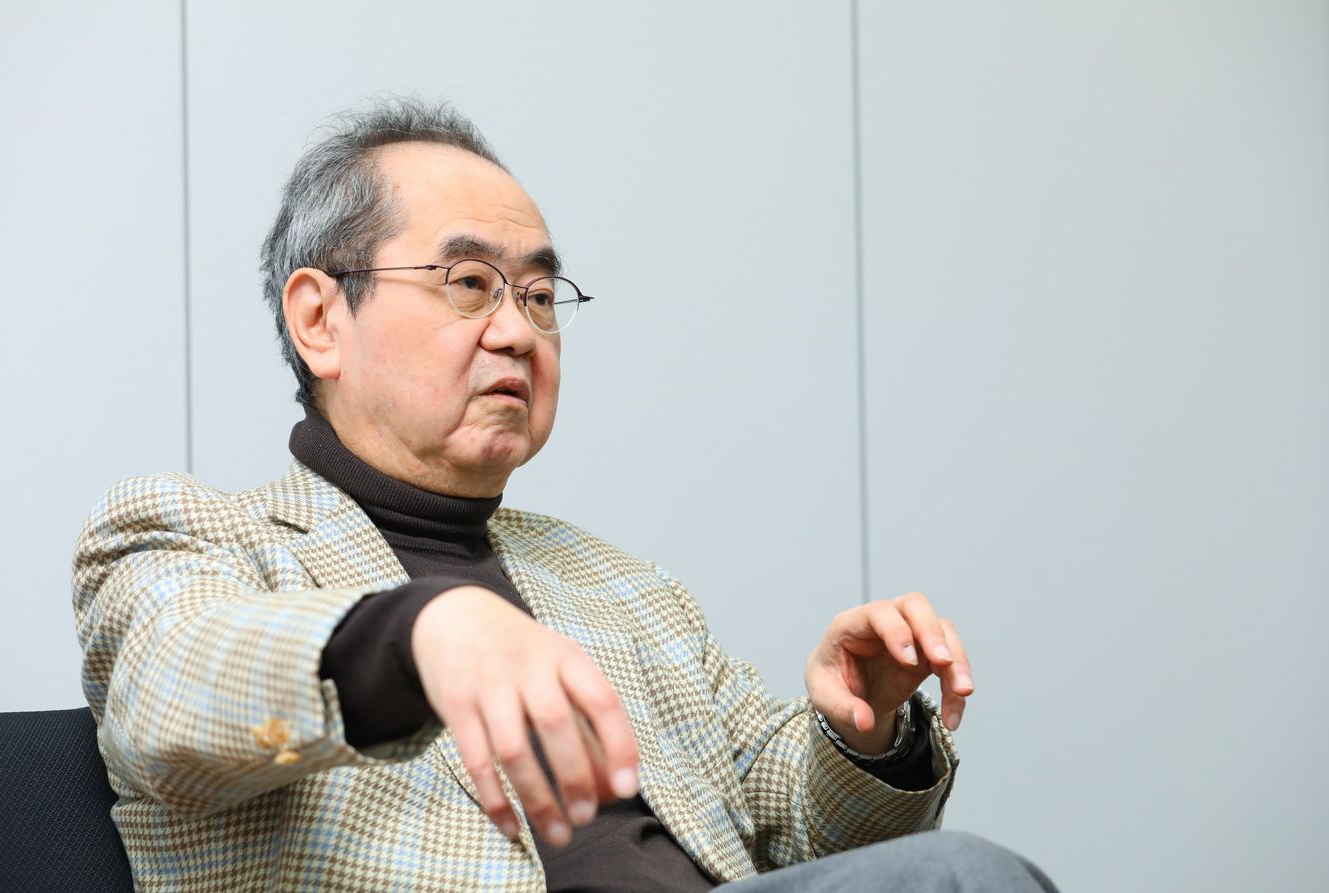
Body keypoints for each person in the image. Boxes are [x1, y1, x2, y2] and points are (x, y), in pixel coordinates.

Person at [72, 97, 1057, 892]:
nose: (515, 331)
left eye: (539, 297)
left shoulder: (620, 584)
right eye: (468, 283)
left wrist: (861, 732)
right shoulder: (189, 536)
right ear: (320, 319)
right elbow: (172, 694)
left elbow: (798, 833)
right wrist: (419, 632)